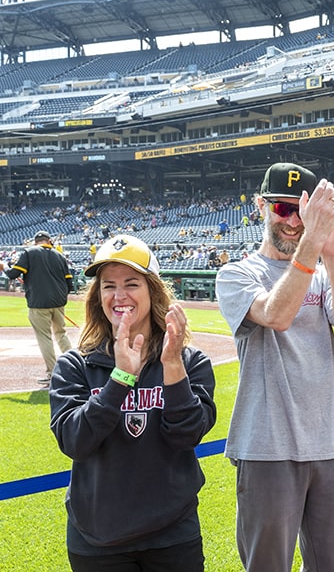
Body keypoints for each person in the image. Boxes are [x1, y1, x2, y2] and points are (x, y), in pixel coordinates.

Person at [215, 163, 334, 572]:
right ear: (261, 206)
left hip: (331, 445)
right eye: (284, 208)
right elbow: (275, 314)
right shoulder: (238, 273)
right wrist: (313, 243)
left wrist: (333, 256)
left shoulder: (323, 270)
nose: (294, 221)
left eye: (304, 211)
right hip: (267, 448)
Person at [49, 234, 216, 571]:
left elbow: (186, 436)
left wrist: (171, 365)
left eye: (131, 284)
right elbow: (75, 442)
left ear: (152, 291)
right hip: (98, 539)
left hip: (172, 534)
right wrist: (120, 378)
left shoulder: (188, 361)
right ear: (98, 296)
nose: (119, 295)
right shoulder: (75, 365)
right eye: (108, 285)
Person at [0, 230, 74, 384]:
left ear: (36, 241)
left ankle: (53, 373)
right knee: (61, 334)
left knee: (44, 337)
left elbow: (13, 274)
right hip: (59, 303)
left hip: (39, 303)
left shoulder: (29, 252)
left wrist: (4, 267)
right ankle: (75, 369)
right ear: (49, 241)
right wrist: (59, 298)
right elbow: (69, 284)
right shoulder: (59, 255)